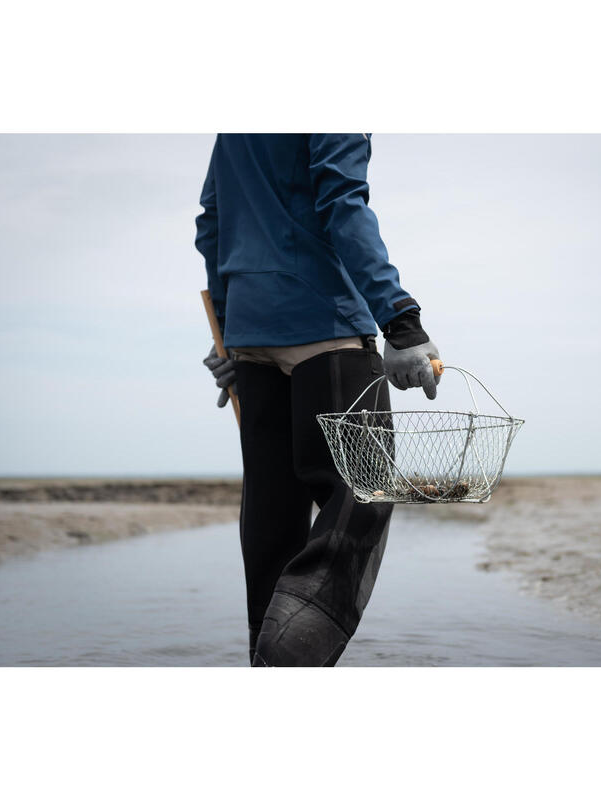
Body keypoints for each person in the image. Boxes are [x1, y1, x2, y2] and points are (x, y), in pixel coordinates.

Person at [196, 134, 440, 666]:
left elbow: (212, 221)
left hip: (250, 335)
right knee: (366, 487)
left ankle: (266, 662)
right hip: (323, 323)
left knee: (272, 512)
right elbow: (342, 203)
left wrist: (228, 328)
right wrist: (400, 320)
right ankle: (293, 657)